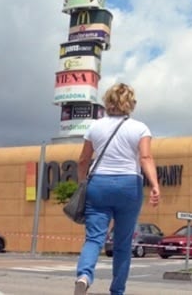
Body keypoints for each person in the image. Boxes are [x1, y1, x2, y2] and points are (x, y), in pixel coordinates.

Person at [74, 83, 160, 295]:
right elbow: (145, 157)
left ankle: (84, 276)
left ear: (107, 101)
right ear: (131, 103)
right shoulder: (140, 128)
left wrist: (82, 183)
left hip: (99, 185)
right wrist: (155, 185)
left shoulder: (94, 127)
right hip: (129, 185)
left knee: (94, 238)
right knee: (122, 243)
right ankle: (117, 291)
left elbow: (83, 160)